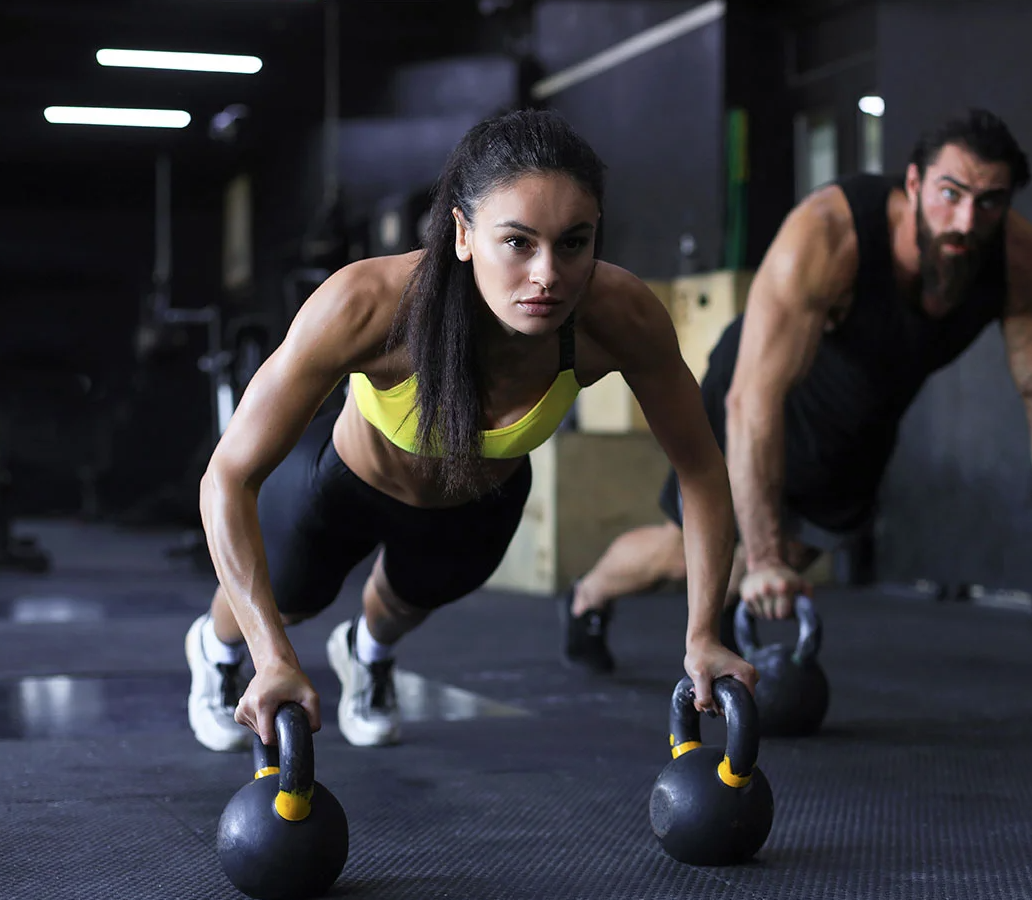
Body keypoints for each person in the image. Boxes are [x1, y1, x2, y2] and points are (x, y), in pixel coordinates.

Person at [185, 107, 755, 752]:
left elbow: (702, 469)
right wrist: (272, 658)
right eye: (517, 242)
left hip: (476, 504)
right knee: (286, 602)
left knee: (402, 607)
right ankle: (215, 653)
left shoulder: (618, 317)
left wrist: (705, 632)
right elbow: (228, 477)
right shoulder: (369, 304)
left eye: (573, 243)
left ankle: (366, 656)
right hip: (341, 483)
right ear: (462, 233)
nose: (548, 274)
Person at [560, 107, 1032, 671]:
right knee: (694, 554)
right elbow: (753, 399)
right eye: (950, 193)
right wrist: (763, 555)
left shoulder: (1021, 264)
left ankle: (733, 604)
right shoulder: (830, 233)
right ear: (914, 183)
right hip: (762, 388)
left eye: (990, 202)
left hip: (860, 416)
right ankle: (588, 595)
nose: (967, 220)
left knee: (785, 560)